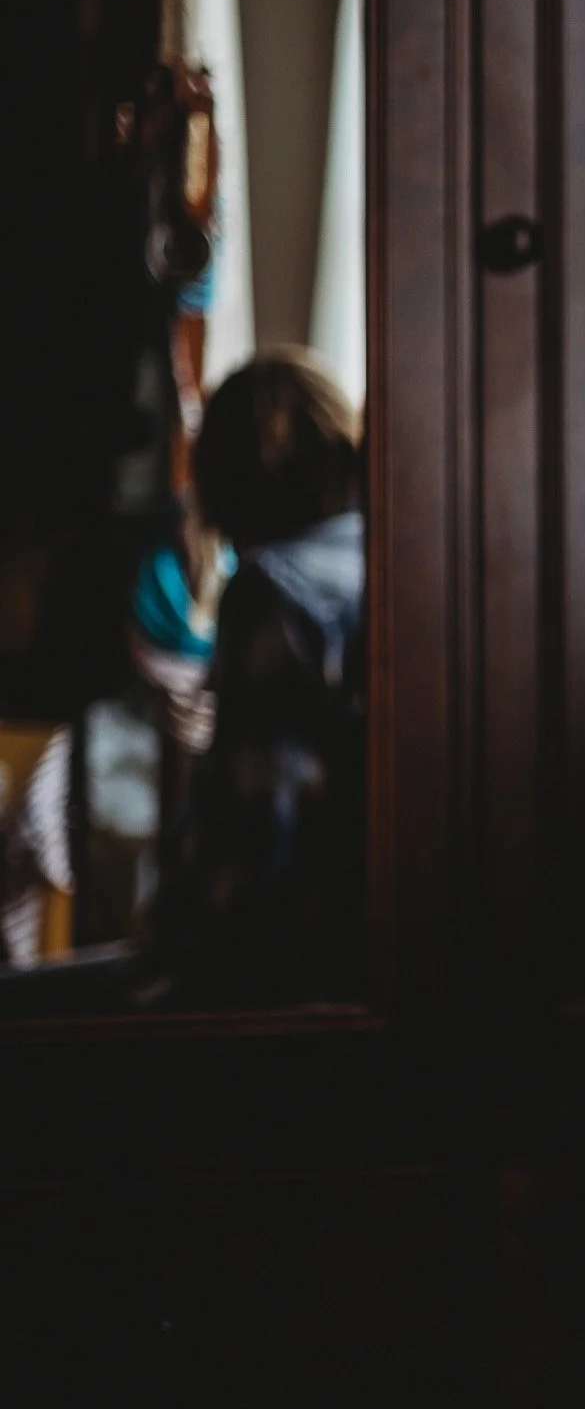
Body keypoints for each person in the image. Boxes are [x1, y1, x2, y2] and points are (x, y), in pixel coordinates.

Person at [143, 348, 366, 1004]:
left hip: (288, 978)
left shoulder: (272, 592)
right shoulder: (378, 556)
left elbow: (247, 856)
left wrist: (167, 919)